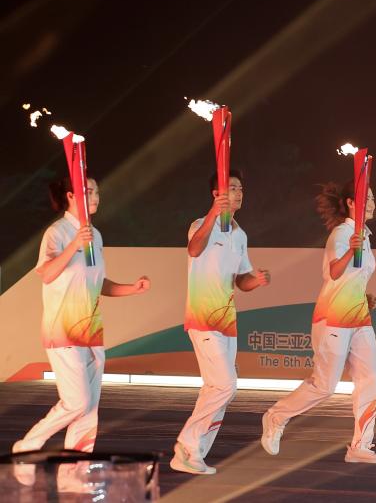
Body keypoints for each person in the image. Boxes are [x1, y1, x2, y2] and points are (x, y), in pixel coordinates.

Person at [13, 176, 151, 456]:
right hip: (62, 330)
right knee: (77, 402)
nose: (95, 196)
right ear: (70, 196)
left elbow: (97, 283)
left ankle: (77, 468)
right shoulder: (58, 232)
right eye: (88, 191)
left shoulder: (95, 236)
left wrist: (132, 288)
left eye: (97, 191)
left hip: (91, 331)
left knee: (88, 409)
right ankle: (27, 446)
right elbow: (47, 273)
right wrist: (75, 243)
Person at [261, 182, 376, 463]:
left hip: (358, 318)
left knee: (370, 379)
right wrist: (349, 251)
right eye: (368, 197)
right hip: (332, 319)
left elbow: (352, 279)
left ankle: (361, 446)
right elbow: (334, 271)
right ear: (351, 203)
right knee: (324, 386)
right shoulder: (341, 234)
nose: (373, 202)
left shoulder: (364, 236)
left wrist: (364, 297)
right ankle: (276, 416)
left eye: (373, 197)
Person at [172, 169, 270, 475]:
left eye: (240, 188)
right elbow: (193, 249)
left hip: (227, 323)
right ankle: (187, 442)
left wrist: (257, 280)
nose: (239, 193)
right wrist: (215, 213)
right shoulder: (200, 225)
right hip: (202, 319)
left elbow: (241, 281)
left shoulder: (240, 235)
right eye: (232, 188)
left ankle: (193, 454)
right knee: (226, 386)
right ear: (217, 194)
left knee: (217, 388)